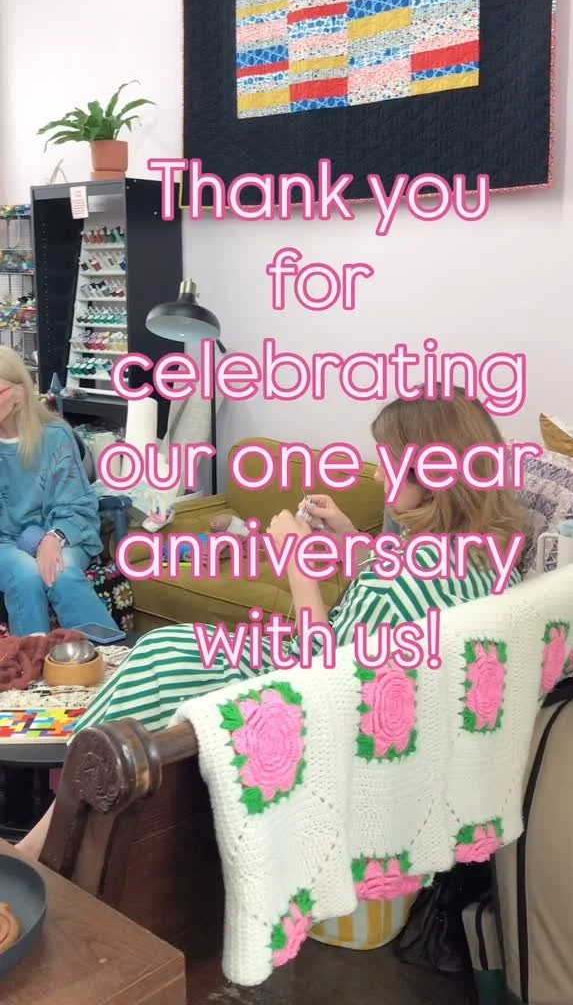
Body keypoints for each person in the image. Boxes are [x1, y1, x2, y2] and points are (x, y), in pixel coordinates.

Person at [18, 389, 525, 858]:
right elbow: (387, 606)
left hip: (307, 699)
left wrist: (298, 563)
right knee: (168, 650)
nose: (379, 477)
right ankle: (68, 812)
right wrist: (349, 536)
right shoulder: (479, 560)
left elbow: (322, 676)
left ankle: (55, 832)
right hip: (331, 680)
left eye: (390, 462)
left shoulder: (409, 578)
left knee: (158, 660)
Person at [0, 348, 120, 638]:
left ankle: (106, 653)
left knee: (61, 572)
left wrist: (53, 538)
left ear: (19, 392)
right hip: (4, 542)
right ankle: (32, 660)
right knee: (26, 574)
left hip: (63, 532)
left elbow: (76, 503)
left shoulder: (55, 437)